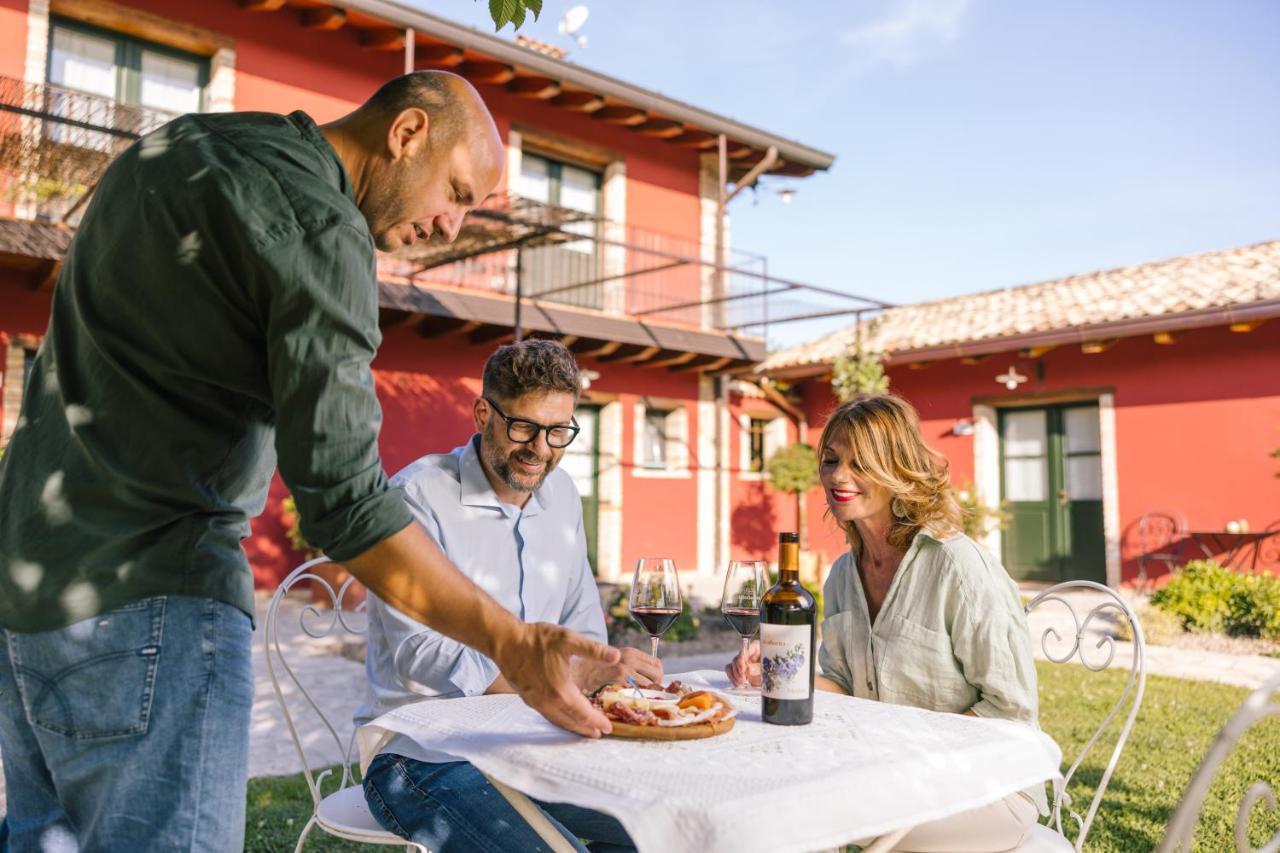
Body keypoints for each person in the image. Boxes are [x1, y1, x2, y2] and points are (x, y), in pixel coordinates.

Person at [0, 71, 616, 852]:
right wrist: (515, 643)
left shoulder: (175, 147)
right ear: (407, 133)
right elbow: (347, 504)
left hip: (28, 595)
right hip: (158, 596)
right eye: (456, 192)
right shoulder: (324, 227)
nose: (454, 226)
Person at [359, 340, 647, 852]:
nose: (541, 449)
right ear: (482, 413)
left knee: (659, 829)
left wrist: (598, 666)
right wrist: (538, 677)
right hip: (423, 754)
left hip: (535, 741)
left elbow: (580, 622)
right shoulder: (417, 496)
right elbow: (416, 652)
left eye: (559, 432)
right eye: (524, 428)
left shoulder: (561, 496)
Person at [728, 394, 1046, 852]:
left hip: (989, 787)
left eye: (860, 464)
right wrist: (782, 674)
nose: (839, 477)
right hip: (887, 775)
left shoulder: (956, 566)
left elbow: (1011, 709)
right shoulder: (842, 575)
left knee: (800, 819)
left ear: (897, 469)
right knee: (769, 802)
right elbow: (843, 681)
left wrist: (912, 756)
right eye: (832, 460)